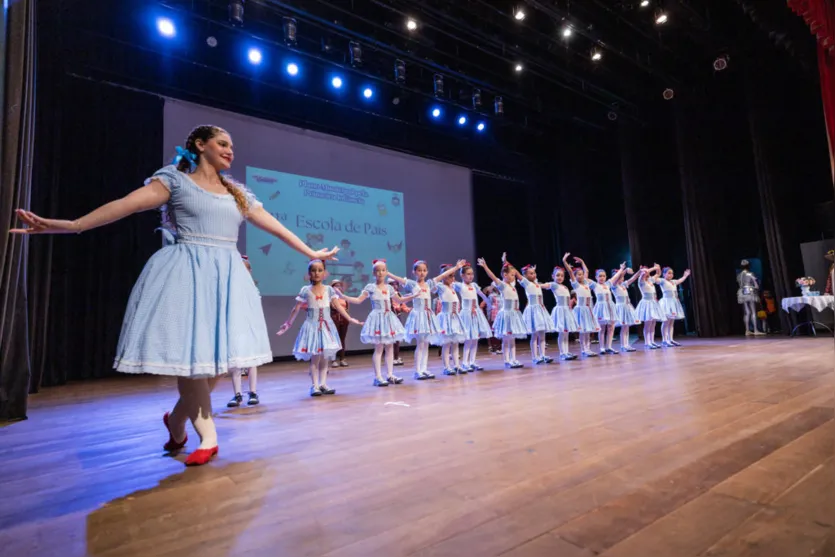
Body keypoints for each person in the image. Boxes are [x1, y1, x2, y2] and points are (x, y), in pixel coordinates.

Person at [10, 125, 338, 466]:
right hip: (188, 273)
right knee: (193, 359)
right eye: (222, 143)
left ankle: (177, 421)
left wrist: (310, 250)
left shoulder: (237, 194)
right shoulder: (175, 181)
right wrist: (70, 225)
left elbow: (276, 226)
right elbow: (125, 205)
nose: (230, 150)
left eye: (232, 146)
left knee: (218, 366)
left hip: (227, 278)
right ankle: (208, 437)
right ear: (200, 145)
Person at [276, 260, 362, 396]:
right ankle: (314, 385)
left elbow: (338, 306)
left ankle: (323, 384)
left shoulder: (329, 290)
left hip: (326, 327)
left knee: (324, 358)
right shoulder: (305, 290)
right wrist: (288, 323)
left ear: (325, 273)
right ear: (309, 273)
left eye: (320, 270)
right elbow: (296, 308)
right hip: (312, 326)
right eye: (313, 270)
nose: (316, 273)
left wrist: (349, 318)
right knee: (315, 358)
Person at [338, 259, 417, 386]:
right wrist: (343, 296)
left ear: (386, 272)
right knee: (379, 347)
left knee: (390, 347)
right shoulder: (370, 287)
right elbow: (358, 300)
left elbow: (400, 300)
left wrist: (413, 296)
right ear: (373, 273)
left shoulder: (389, 288)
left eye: (383, 270)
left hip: (389, 318)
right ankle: (378, 376)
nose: (380, 273)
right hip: (378, 319)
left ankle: (390, 374)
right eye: (377, 271)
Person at [387, 260, 462, 380]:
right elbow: (400, 279)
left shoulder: (429, 284)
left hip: (428, 316)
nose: (422, 273)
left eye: (424, 270)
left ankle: (424, 368)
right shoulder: (412, 284)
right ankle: (417, 370)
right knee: (421, 344)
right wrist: (388, 273)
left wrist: (457, 267)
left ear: (427, 272)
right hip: (419, 316)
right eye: (419, 270)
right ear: (414, 272)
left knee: (426, 344)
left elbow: (442, 276)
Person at [477, 257, 526, 368]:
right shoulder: (503, 285)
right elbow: (493, 277)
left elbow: (509, 269)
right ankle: (507, 360)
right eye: (512, 275)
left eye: (514, 275)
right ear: (505, 275)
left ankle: (513, 359)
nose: (514, 277)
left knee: (512, 339)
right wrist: (485, 266)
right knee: (506, 339)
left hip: (514, 314)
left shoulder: (512, 286)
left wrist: (505, 261)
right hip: (507, 314)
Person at [228, 255, 260, 407]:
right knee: (235, 362)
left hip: (249, 328)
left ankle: (252, 392)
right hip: (234, 328)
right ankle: (237, 394)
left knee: (251, 360)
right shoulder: (230, 289)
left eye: (245, 269)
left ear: (250, 271)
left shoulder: (253, 290)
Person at [452, 262, 492, 371]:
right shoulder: (460, 286)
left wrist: (489, 304)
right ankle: (465, 362)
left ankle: (472, 361)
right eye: (468, 274)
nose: (471, 276)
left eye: (472, 274)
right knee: (468, 339)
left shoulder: (474, 285)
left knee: (475, 339)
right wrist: (457, 267)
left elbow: (482, 295)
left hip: (476, 314)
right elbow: (450, 281)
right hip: (466, 313)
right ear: (462, 275)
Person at [562, 253, 601, 357]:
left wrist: (582, 262)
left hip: (588, 309)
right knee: (583, 331)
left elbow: (587, 271)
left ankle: (588, 348)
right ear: (574, 277)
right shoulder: (575, 284)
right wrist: (564, 261)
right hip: (581, 309)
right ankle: (584, 349)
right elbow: (570, 271)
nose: (582, 275)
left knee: (588, 331)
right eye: (579, 274)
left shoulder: (586, 283)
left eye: (582, 274)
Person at [589, 265, 627, 355]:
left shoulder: (608, 284)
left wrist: (621, 269)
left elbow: (616, 276)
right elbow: (585, 277)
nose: (602, 278)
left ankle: (609, 347)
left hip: (610, 307)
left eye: (603, 276)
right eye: (600, 276)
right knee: (602, 329)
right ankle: (602, 348)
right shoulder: (595, 285)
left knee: (611, 328)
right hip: (601, 308)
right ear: (596, 277)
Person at [549, 266, 579, 361]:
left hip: (566, 310)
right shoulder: (554, 285)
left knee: (566, 333)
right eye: (557, 275)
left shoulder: (565, 287)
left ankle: (566, 351)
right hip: (560, 310)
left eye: (562, 275)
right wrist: (535, 284)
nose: (560, 277)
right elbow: (545, 285)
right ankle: (562, 353)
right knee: (562, 333)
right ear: (553, 276)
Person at [657, 267, 691, 347]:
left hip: (673, 302)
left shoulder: (673, 282)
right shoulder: (662, 281)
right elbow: (655, 279)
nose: (670, 275)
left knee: (671, 322)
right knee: (666, 322)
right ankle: (664, 340)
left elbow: (680, 280)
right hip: (666, 303)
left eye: (672, 273)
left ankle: (670, 339)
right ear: (664, 274)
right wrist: (657, 271)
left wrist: (685, 276)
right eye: (668, 273)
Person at [610, 266, 641, 352]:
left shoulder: (623, 285)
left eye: (622, 277)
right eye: (620, 276)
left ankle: (627, 344)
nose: (622, 278)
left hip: (627, 306)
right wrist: (625, 270)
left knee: (627, 327)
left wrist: (639, 271)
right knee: (624, 327)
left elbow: (633, 278)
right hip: (621, 307)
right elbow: (617, 277)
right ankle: (623, 345)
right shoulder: (614, 286)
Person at [635, 264, 665, 348]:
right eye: (644, 271)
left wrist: (658, 267)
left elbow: (658, 274)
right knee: (648, 323)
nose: (646, 272)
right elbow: (645, 272)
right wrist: (654, 268)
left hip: (653, 302)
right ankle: (647, 342)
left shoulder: (650, 280)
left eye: (646, 270)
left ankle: (652, 341)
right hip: (646, 303)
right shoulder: (641, 280)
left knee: (653, 323)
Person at [737, 259, 763, 336]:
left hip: (742, 291)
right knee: (753, 311)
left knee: (747, 312)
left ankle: (747, 330)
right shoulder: (750, 274)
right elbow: (756, 285)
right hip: (749, 290)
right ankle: (755, 330)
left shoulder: (739, 275)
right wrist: (756, 285)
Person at [330, 279, 351, 367]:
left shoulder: (344, 297)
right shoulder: (330, 297)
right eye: (335, 286)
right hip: (334, 318)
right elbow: (333, 307)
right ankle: (333, 360)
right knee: (334, 340)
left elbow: (347, 309)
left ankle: (342, 359)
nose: (338, 287)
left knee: (342, 339)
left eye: (339, 286)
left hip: (344, 319)